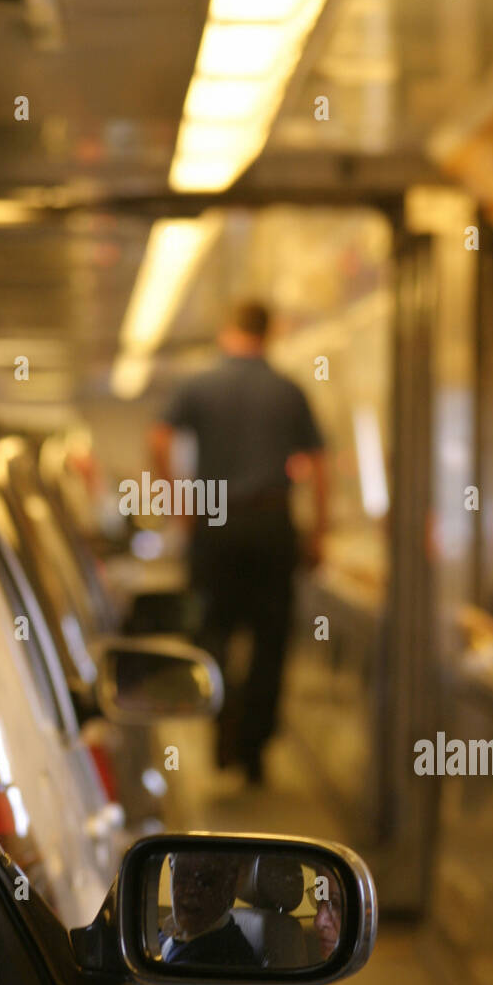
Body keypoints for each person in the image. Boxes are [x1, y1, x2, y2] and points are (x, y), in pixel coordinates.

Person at [151, 299, 328, 785]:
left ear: (228, 330)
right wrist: (319, 533)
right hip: (272, 523)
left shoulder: (199, 385)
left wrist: (179, 505)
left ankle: (220, 720)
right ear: (268, 332)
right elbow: (319, 463)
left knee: (212, 631)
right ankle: (255, 747)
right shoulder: (289, 391)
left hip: (215, 522)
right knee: (271, 640)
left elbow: (160, 438)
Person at [160, 851, 258, 968]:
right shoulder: (180, 933)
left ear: (230, 883)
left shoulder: (214, 961)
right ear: (171, 867)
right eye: (183, 875)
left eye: (206, 880)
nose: (191, 890)